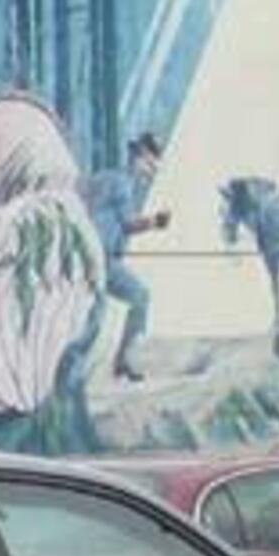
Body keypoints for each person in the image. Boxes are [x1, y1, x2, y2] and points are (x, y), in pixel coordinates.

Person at [84, 132, 170, 383]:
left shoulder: (105, 178)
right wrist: (156, 221)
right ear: (137, 157)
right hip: (101, 259)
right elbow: (129, 223)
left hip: (92, 258)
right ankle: (124, 360)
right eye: (149, 165)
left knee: (92, 316)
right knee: (140, 296)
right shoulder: (122, 183)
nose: (150, 173)